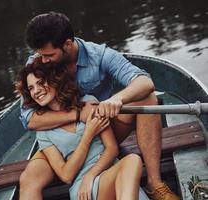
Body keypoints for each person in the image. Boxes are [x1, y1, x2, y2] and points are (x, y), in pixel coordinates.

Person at [19, 12, 179, 200]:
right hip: (58, 140)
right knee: (29, 179)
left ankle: (155, 183)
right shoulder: (37, 62)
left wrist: (115, 100)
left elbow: (144, 83)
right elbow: (30, 119)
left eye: (49, 55)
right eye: (40, 54)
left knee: (147, 99)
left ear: (67, 45)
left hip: (100, 130)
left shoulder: (100, 55)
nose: (42, 60)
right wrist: (78, 114)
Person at [16, 58, 143, 200]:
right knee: (132, 160)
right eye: (31, 88)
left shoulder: (88, 102)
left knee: (130, 168)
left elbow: (112, 148)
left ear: (54, 80)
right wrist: (88, 136)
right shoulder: (43, 131)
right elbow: (66, 175)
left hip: (113, 172)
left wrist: (91, 175)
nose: (36, 91)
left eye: (40, 83)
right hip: (84, 190)